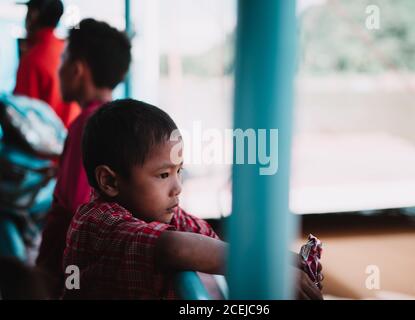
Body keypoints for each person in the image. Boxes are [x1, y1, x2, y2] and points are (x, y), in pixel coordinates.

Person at [62, 99, 323, 300]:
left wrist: (282, 259)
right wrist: (265, 270)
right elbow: (174, 247)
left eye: (179, 171)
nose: (177, 187)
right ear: (109, 181)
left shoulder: (156, 210)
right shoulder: (97, 223)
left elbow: (206, 239)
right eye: (163, 174)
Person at [36, 18, 131, 298]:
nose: (59, 67)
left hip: (64, 275)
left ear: (77, 69)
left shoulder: (87, 126)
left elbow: (78, 210)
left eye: (63, 58)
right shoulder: (118, 123)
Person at [14, 0, 80, 127]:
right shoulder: (67, 50)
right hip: (70, 137)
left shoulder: (32, 59)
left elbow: (21, 117)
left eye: (28, 12)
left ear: (34, 15)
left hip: (44, 144)